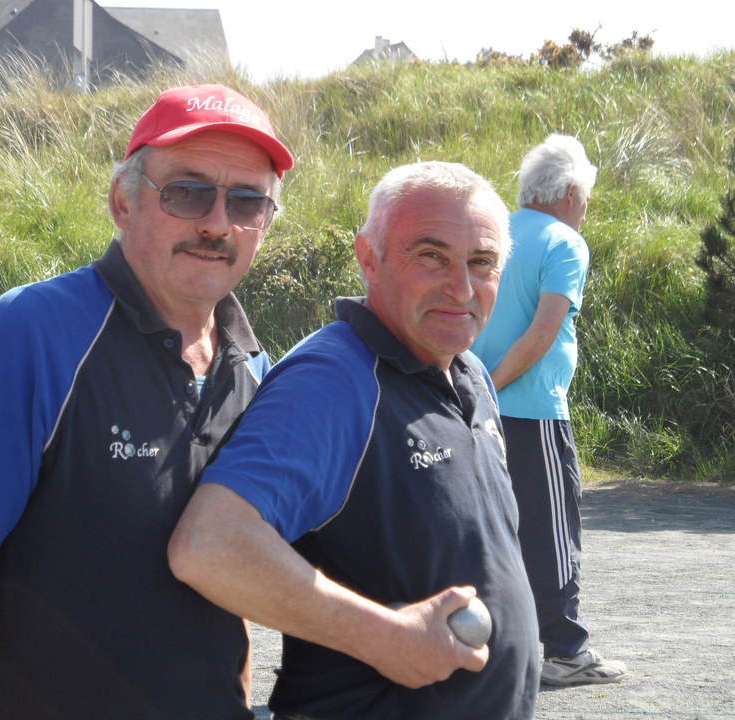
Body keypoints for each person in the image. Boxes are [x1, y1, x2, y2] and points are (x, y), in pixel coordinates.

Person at [0, 83, 294, 719]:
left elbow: (228, 590)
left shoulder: (254, 368)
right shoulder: (31, 333)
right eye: (188, 191)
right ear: (123, 201)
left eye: (247, 201)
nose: (217, 222)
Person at [169, 161, 540, 719]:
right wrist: (385, 638)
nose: (461, 287)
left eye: (481, 263)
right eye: (431, 255)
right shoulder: (335, 379)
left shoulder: (469, 375)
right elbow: (208, 545)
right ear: (370, 257)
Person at [470, 134, 627, 686]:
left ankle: (495, 646)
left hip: (473, 406)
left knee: (493, 527)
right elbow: (542, 334)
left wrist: (472, 389)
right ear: (568, 192)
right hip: (532, 409)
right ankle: (563, 650)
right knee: (553, 527)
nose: (585, 208)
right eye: (585, 197)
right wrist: (492, 385)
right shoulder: (565, 242)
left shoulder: (496, 231)